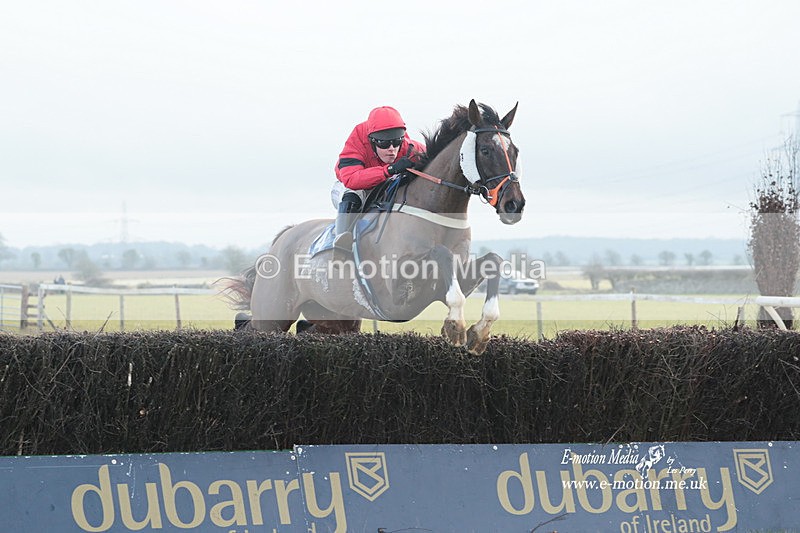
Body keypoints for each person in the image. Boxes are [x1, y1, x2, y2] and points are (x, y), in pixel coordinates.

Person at [331, 106, 426, 252]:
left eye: (396, 142)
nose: (392, 148)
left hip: (384, 182)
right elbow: (351, 179)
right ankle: (341, 243)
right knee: (352, 195)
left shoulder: (410, 148)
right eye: (384, 143)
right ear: (372, 141)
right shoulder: (356, 141)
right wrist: (389, 170)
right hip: (351, 184)